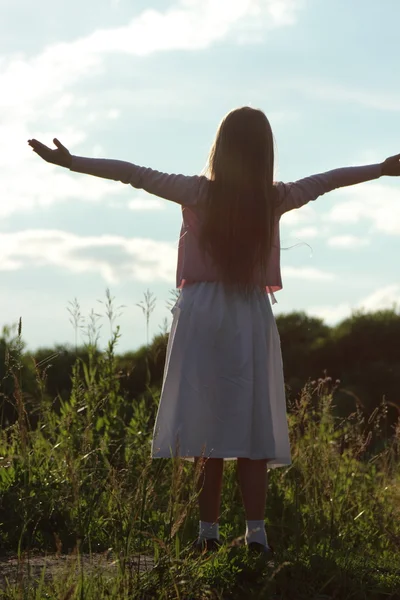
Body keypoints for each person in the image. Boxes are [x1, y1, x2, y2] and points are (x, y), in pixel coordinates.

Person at [28, 107, 400, 559]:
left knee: (208, 426)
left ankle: (207, 534)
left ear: (220, 148)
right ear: (265, 152)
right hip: (248, 312)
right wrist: (381, 169)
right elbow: (329, 179)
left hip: (201, 311)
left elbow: (133, 174)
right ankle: (257, 537)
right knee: (250, 423)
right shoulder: (274, 197)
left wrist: (73, 162)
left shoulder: (198, 193)